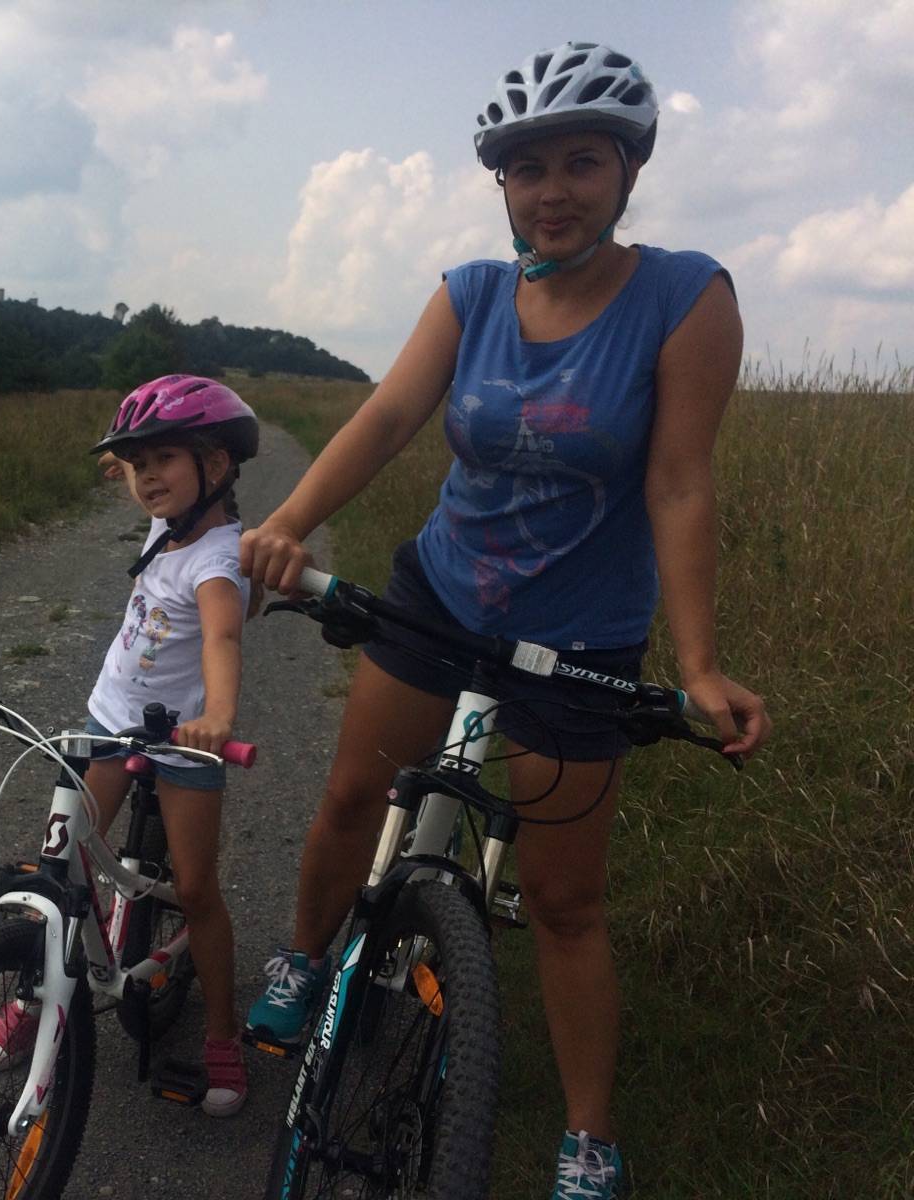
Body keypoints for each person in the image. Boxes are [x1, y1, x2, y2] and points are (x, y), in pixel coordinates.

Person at [237, 41, 772, 1199]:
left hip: (579, 637)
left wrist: (697, 664)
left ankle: (585, 1138)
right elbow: (386, 419)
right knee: (351, 798)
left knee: (567, 903)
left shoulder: (686, 297)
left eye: (582, 162)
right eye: (528, 169)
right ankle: (301, 955)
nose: (553, 191)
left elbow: (679, 481)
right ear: (501, 184)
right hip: (442, 593)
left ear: (627, 173)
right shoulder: (470, 293)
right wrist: (286, 523)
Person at [0, 374, 259, 1117]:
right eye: (136, 466)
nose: (146, 479)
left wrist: (219, 716)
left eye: (163, 459)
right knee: (61, 867)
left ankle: (223, 1034)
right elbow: (147, 476)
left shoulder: (216, 560)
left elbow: (222, 637)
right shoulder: (169, 522)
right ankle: (35, 995)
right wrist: (130, 463)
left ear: (217, 466)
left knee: (196, 891)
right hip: (109, 719)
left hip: (183, 743)